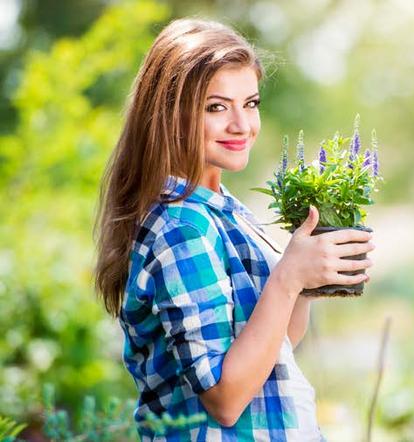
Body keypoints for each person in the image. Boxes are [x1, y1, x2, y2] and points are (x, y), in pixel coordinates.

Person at [93, 18, 374, 441]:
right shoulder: (181, 228)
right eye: (217, 107)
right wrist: (287, 277)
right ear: (169, 113)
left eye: (251, 103)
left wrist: (307, 278)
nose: (242, 125)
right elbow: (225, 399)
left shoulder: (225, 210)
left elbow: (279, 344)